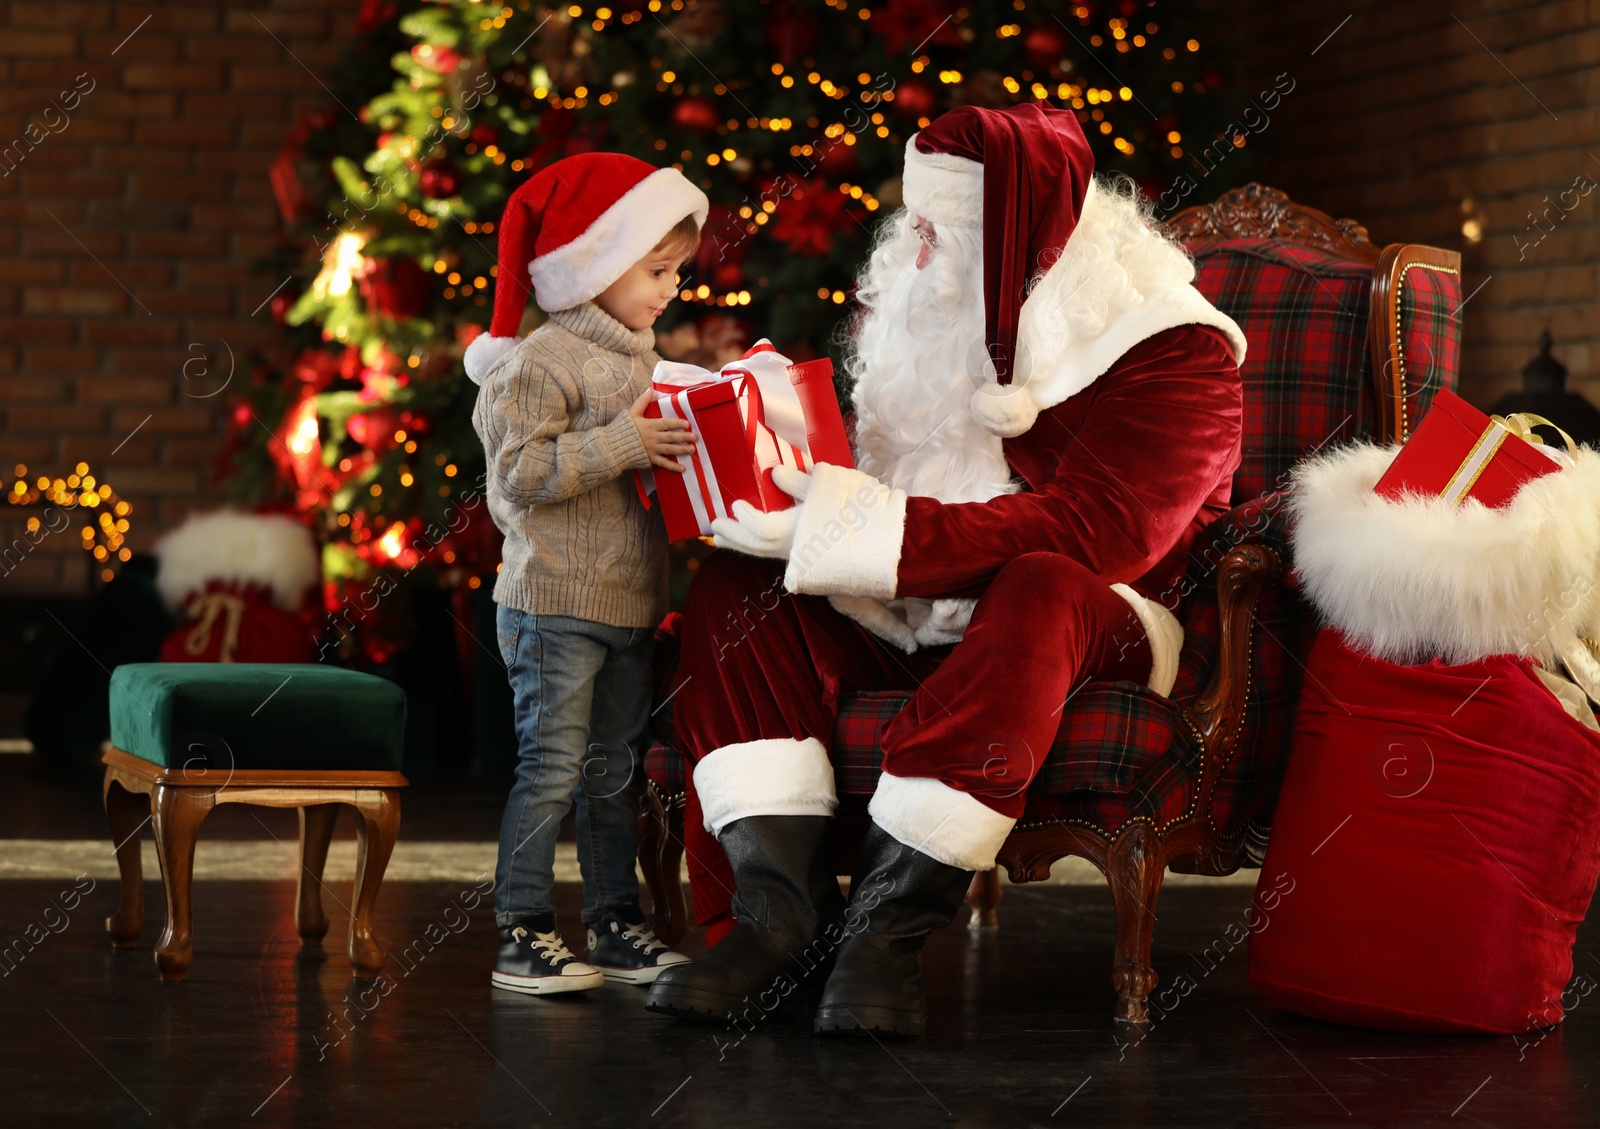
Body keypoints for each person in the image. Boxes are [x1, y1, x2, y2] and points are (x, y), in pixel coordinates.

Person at [645, 103, 1248, 1034]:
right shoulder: (938, 309)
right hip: (914, 610)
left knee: (1041, 584)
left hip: (1103, 620)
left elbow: (1100, 530)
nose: (911, 250)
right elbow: (886, 487)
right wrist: (796, 494)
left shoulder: (1176, 348)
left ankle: (885, 937)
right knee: (742, 587)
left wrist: (851, 528)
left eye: (938, 231)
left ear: (1016, 242)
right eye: (911, 223)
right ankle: (780, 922)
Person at [467, 152, 707, 994]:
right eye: (656, 268)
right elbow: (518, 478)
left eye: (677, 269)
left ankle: (613, 924)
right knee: (552, 766)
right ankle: (522, 931)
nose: (672, 286)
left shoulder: (646, 361)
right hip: (552, 603)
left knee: (613, 770)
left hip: (630, 603)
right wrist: (625, 443)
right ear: (597, 266)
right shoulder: (539, 361)